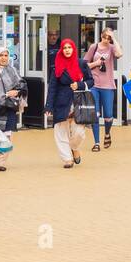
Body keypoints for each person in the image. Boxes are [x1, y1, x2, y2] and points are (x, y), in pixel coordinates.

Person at [47, 38, 94, 169]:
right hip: (61, 102)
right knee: (61, 132)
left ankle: (74, 148)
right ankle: (67, 159)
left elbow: (91, 81)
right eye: (65, 48)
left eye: (69, 47)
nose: (67, 50)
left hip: (78, 101)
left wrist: (79, 84)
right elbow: (52, 87)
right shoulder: (57, 65)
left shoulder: (81, 63)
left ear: (73, 49)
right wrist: (48, 106)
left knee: (79, 132)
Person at [84, 29, 123, 151]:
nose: (107, 39)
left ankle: (107, 133)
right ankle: (96, 142)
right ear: (101, 35)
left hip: (108, 85)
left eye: (109, 38)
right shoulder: (94, 47)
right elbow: (84, 65)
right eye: (105, 36)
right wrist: (95, 63)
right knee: (95, 114)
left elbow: (119, 54)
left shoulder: (112, 48)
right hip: (94, 85)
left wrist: (114, 38)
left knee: (108, 115)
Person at [0, 46, 23, 172]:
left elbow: (22, 85)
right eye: (1, 55)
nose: (4, 58)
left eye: (6, 55)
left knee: (6, 135)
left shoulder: (12, 71)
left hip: (7, 107)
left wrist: (16, 92)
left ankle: (1, 161)